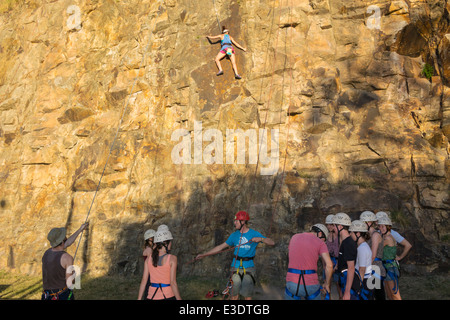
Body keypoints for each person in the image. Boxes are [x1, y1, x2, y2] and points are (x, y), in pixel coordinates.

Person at [196, 210, 274, 300]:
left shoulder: (254, 233)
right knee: (233, 295)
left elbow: (271, 242)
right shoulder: (234, 235)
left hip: (249, 267)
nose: (234, 223)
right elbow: (220, 247)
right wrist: (204, 254)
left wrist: (261, 239)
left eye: (236, 221)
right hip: (235, 267)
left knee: (247, 296)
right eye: (235, 221)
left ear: (243, 222)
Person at [285, 224, 333, 300]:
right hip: (310, 285)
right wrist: (327, 283)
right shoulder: (320, 243)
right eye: (324, 239)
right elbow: (329, 265)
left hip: (292, 283)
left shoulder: (294, 237)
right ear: (320, 233)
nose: (323, 241)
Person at [41, 223, 88, 300]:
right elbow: (70, 284)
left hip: (46, 296)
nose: (66, 238)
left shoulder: (47, 253)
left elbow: (66, 243)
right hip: (61, 296)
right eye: (64, 237)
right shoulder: (67, 258)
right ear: (62, 241)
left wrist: (80, 230)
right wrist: (73, 274)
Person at [138, 225, 182, 300]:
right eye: (170, 241)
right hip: (168, 296)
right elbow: (173, 282)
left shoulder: (148, 259)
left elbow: (144, 280)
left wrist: (139, 299)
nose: (171, 243)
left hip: (151, 296)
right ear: (166, 243)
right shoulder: (172, 259)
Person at [333, 212, 360, 300]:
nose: (333, 228)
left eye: (334, 226)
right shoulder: (344, 242)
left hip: (349, 285)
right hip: (344, 280)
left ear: (340, 226)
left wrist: (347, 292)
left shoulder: (348, 243)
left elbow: (351, 268)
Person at [360, 210, 385, 300]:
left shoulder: (375, 235)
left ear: (369, 222)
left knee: (377, 295)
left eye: (363, 222)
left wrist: (363, 268)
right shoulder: (368, 235)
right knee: (372, 294)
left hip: (375, 268)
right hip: (371, 267)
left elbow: (373, 255)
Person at [378, 216, 402, 300]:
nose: (381, 228)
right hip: (387, 267)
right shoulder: (386, 237)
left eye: (383, 226)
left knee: (394, 294)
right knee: (390, 294)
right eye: (379, 226)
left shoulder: (387, 238)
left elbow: (378, 248)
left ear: (388, 227)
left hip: (390, 268)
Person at [349, 220, 373, 300]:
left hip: (363, 281)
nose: (350, 234)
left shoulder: (362, 248)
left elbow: (362, 269)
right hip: (365, 279)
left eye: (351, 232)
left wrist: (358, 286)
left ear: (358, 233)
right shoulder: (363, 246)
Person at [324, 214, 341, 299]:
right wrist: (324, 265)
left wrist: (337, 265)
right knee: (327, 284)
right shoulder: (326, 236)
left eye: (331, 224)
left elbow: (342, 251)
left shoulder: (339, 236)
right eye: (328, 224)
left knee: (339, 285)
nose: (329, 226)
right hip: (328, 260)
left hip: (337, 261)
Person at [141, 228, 155, 300]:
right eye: (153, 237)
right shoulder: (149, 250)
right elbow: (152, 262)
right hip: (150, 272)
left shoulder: (148, 248)